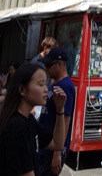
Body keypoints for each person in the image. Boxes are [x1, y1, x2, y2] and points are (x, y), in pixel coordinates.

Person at [0, 63, 68, 176]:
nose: (46, 89)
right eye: (40, 84)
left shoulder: (29, 120)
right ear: (22, 90)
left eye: (45, 84)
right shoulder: (16, 126)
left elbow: (58, 144)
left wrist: (60, 109)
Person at [38, 48, 76, 176]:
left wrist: (57, 152)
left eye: (49, 65)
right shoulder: (56, 83)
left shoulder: (65, 86)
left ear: (60, 64)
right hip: (46, 144)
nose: (46, 68)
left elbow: (66, 119)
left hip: (52, 148)